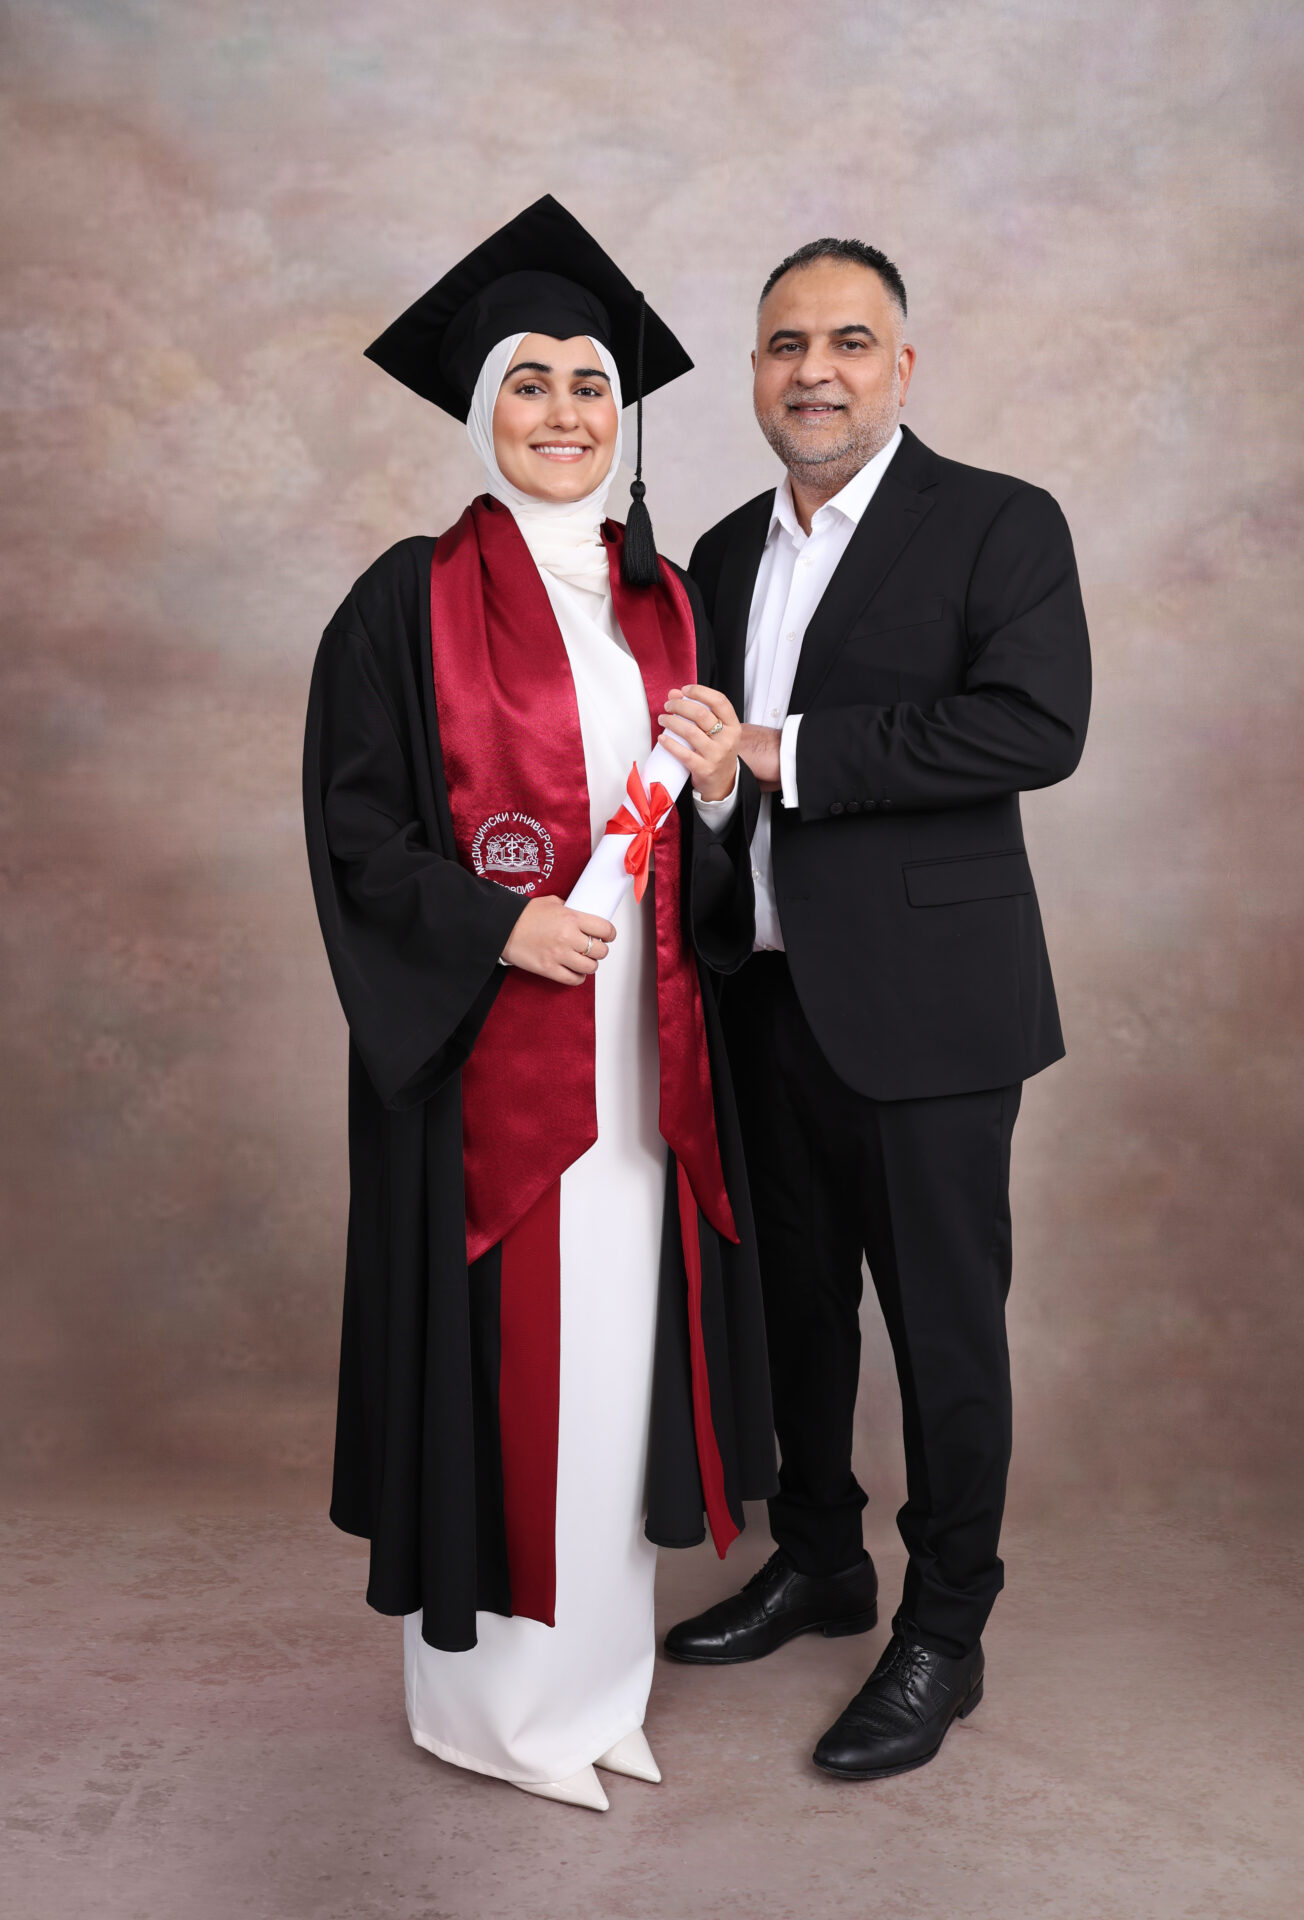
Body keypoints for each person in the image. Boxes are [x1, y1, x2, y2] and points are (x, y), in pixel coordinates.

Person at [303, 196, 775, 1813]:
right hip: (497, 1077)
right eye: (530, 383)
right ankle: (494, 1711)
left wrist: (715, 799)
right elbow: (356, 835)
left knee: (616, 1375)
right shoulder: (406, 599)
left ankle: (598, 1690)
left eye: (592, 384)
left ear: (620, 414)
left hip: (648, 1069)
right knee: (508, 1377)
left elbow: (700, 850)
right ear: (479, 406)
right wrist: (498, 930)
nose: (566, 412)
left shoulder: (665, 604)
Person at [667, 237, 1091, 1781]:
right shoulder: (717, 553)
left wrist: (792, 753)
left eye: (850, 342)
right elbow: (717, 774)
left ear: (902, 367)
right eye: (786, 345)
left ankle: (945, 1632)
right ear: (757, 370)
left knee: (943, 1336)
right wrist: (723, 791)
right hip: (764, 995)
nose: (816, 371)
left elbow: (1037, 725)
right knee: (793, 1315)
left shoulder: (996, 523)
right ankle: (824, 1562)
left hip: (935, 1015)